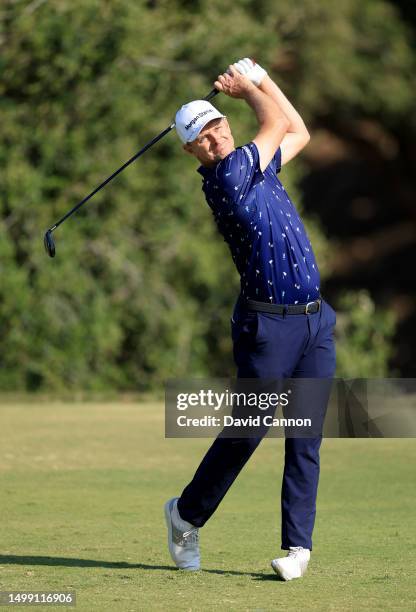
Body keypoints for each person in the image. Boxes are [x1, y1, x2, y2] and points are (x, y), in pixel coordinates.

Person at [164, 58, 336, 581]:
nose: (213, 138)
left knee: (306, 435)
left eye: (216, 126)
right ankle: (185, 514)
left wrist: (264, 79)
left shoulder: (257, 165)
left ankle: (297, 548)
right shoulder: (226, 177)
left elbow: (297, 129)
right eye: (202, 136)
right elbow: (277, 123)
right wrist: (249, 87)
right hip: (268, 328)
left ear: (225, 126)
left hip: (313, 322)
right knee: (249, 431)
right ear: (190, 149)